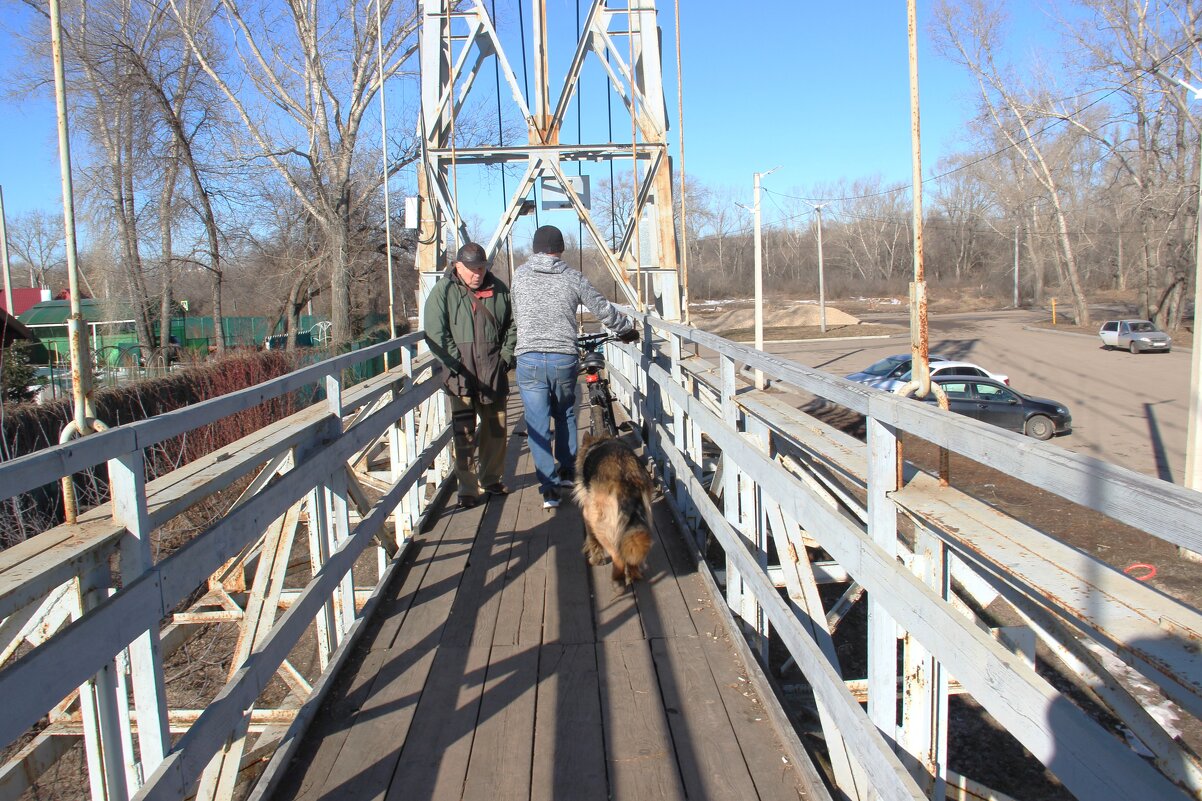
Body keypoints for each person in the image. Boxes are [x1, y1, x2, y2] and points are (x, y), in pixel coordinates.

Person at [511, 224, 638, 509]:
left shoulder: (519, 276)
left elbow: (517, 314)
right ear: (560, 250)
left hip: (529, 358)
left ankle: (549, 490)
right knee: (566, 412)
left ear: (534, 249)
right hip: (562, 357)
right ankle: (567, 472)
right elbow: (602, 308)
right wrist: (626, 329)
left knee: (537, 424)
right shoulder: (572, 277)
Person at [424, 242, 517, 508]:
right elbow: (434, 333)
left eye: (481, 267)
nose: (478, 273)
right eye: (472, 268)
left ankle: (491, 480)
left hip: (492, 373)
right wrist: (455, 365)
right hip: (460, 377)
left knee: (496, 432)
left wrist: (505, 358)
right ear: (457, 266)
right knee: (463, 436)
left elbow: (513, 326)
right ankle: (467, 488)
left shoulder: (499, 290)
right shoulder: (444, 291)